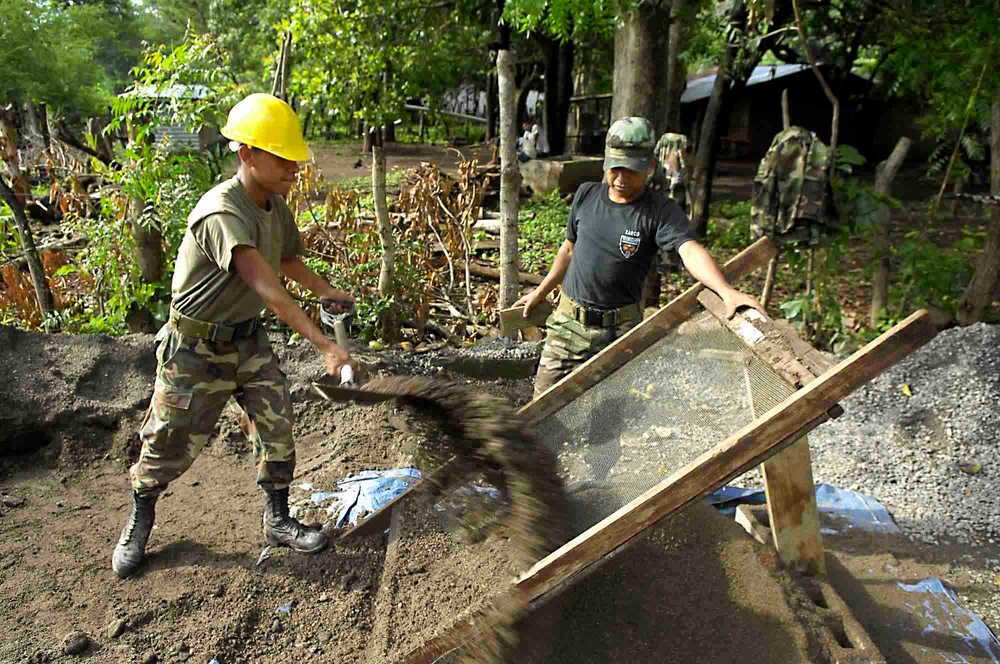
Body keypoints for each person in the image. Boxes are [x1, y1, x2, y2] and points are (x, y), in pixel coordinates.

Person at [111, 93, 357, 578]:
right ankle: (140, 520)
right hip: (195, 348)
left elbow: (285, 260)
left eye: (294, 159)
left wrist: (326, 289)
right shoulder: (221, 210)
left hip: (246, 342)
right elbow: (268, 288)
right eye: (282, 158)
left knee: (276, 423)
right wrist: (326, 346)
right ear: (247, 154)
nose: (293, 168)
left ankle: (278, 519)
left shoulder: (275, 203)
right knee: (166, 441)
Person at [515, 117, 764, 399]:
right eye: (615, 168)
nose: (621, 179)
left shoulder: (659, 211)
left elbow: (689, 250)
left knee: (608, 423)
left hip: (620, 335)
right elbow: (569, 250)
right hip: (568, 328)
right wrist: (540, 291)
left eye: (632, 170)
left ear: (650, 167)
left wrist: (725, 290)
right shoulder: (586, 195)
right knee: (543, 411)